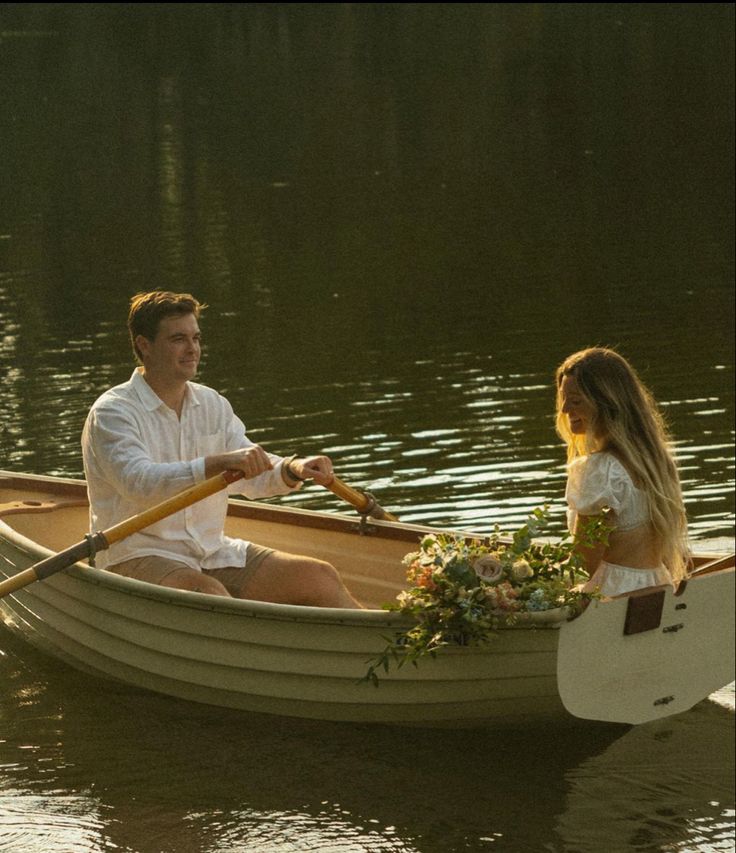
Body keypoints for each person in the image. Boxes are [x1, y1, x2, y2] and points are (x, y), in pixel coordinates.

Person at [82, 290, 363, 608]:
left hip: (210, 550)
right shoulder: (113, 413)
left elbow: (249, 468)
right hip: (135, 552)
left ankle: (379, 649)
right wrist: (217, 463)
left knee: (319, 576)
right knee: (211, 596)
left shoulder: (212, 404)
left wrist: (291, 468)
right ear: (144, 345)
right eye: (178, 339)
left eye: (196, 338)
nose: (193, 350)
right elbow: (140, 484)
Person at [555, 347, 689, 597]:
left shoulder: (601, 470)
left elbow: (583, 567)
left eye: (574, 401)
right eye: (563, 399)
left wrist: (526, 580)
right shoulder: (655, 461)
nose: (564, 410)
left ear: (606, 403)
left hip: (611, 600)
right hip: (656, 588)